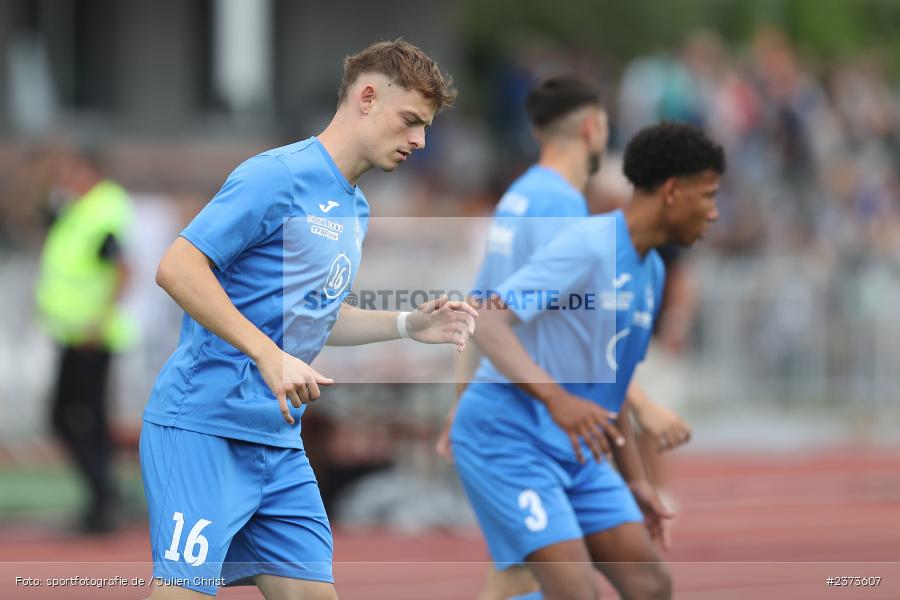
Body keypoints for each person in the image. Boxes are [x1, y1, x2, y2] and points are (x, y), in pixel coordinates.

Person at [140, 40, 477, 599]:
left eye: (427, 127)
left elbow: (315, 316)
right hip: (203, 429)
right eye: (412, 121)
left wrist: (407, 326)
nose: (421, 140)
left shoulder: (355, 206)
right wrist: (268, 354)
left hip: (278, 442)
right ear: (367, 97)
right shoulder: (276, 176)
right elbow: (178, 267)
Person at [434, 78, 692, 598]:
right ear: (594, 128)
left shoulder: (517, 197)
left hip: (511, 413)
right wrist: (642, 406)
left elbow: (480, 306)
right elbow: (581, 336)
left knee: (517, 572)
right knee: (547, 576)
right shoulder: (564, 209)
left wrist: (462, 404)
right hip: (535, 424)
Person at [35, 147, 136, 534]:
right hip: (74, 333)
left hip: (92, 335)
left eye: (69, 171)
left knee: (77, 418)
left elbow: (124, 270)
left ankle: (104, 500)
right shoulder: (79, 208)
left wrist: (99, 320)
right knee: (78, 418)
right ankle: (102, 498)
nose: (64, 180)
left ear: (89, 171)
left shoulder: (103, 211)